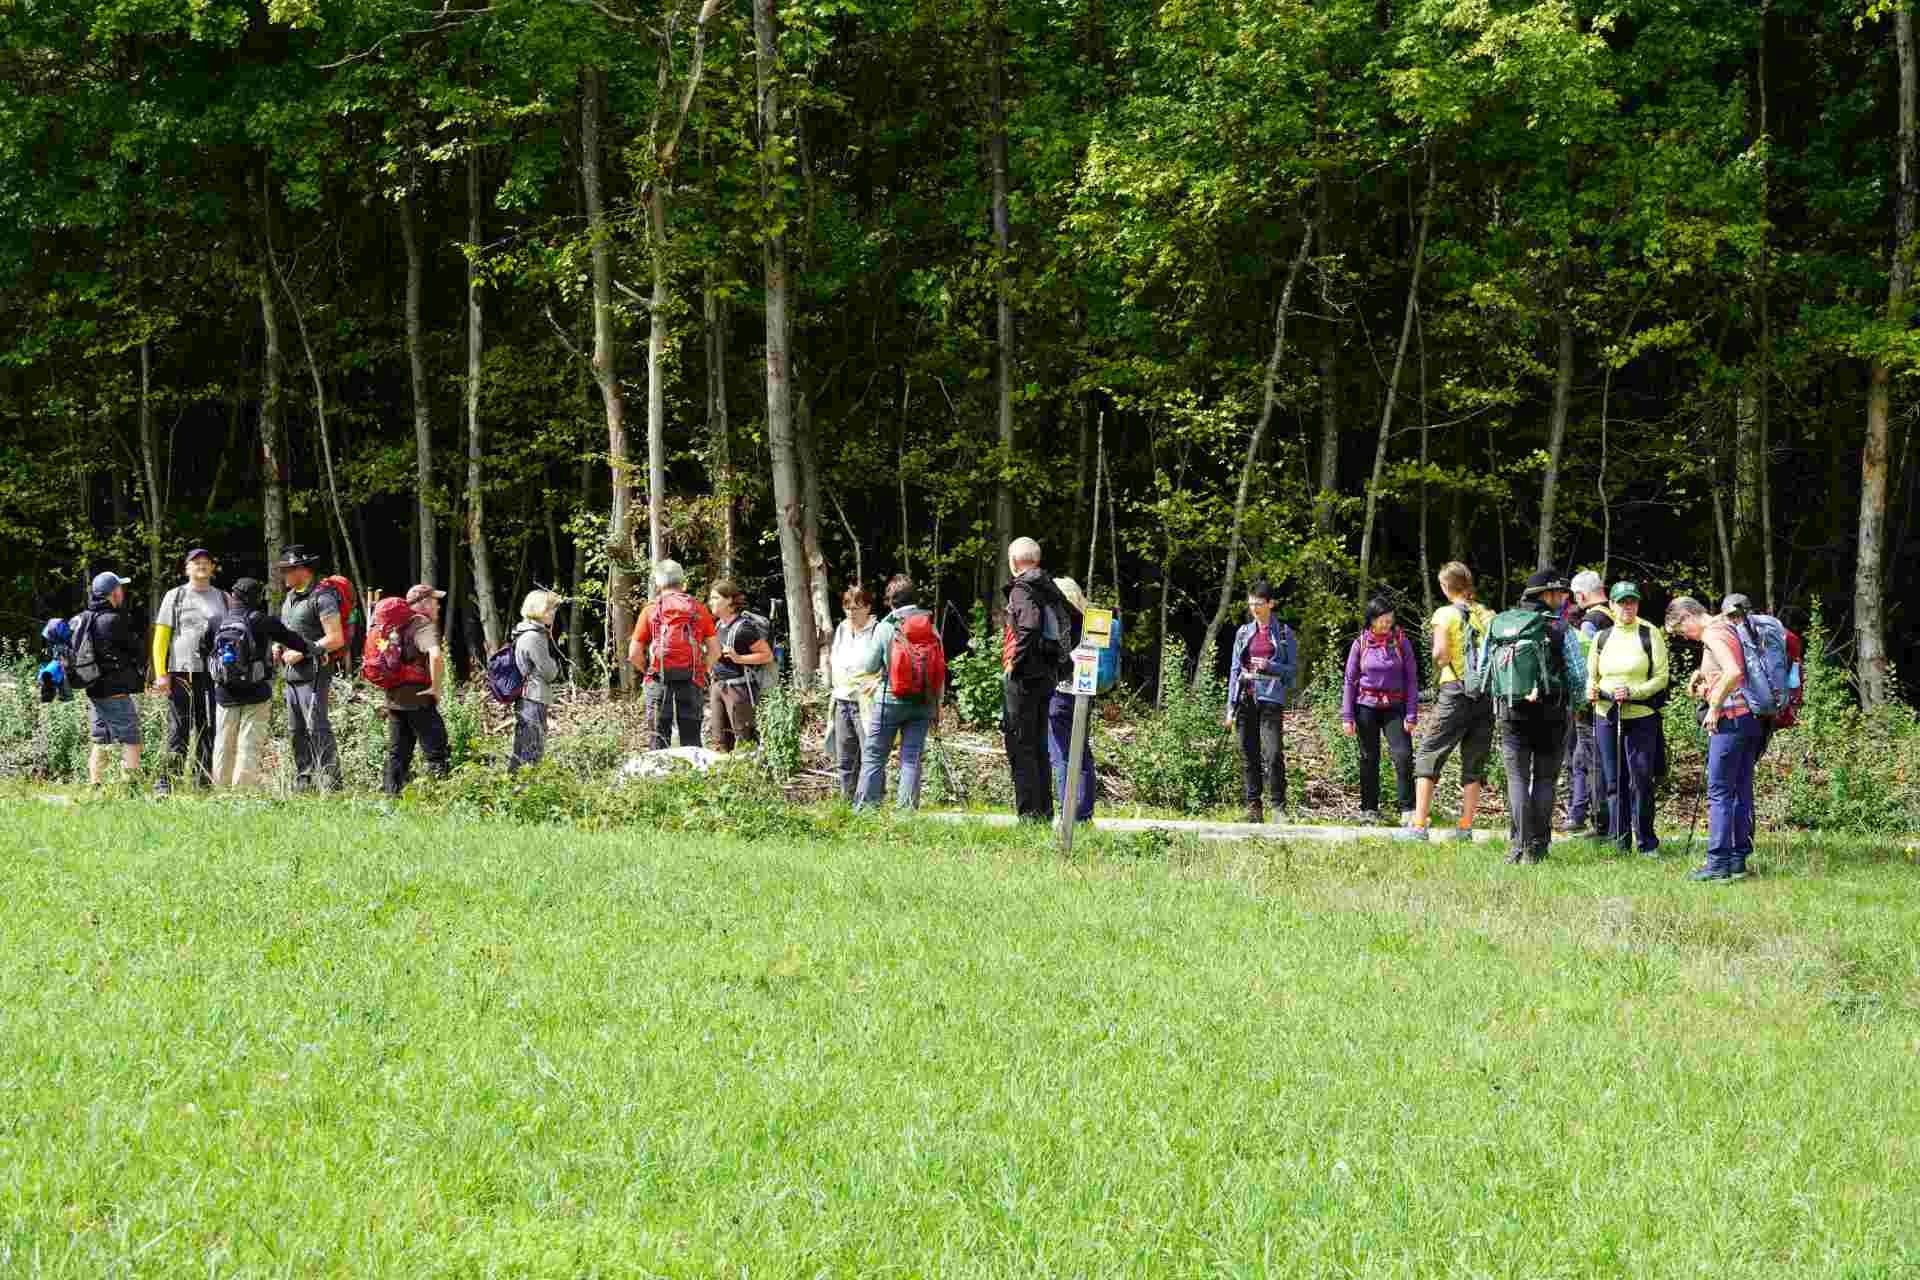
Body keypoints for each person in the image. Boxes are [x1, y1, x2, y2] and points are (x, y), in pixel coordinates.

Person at [1493, 568, 1587, 864]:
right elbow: (1578, 675)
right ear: (1545, 595)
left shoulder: (1502, 625)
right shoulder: (1561, 629)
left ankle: (1519, 846)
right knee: (1545, 780)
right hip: (1552, 714)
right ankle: (1538, 847)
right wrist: (1577, 703)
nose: (1562, 598)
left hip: (1511, 713)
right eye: (1558, 593)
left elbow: (1484, 669)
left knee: (1517, 780)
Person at [1667, 595, 1760, 881]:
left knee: (1720, 792)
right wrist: (1703, 679)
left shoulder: (1712, 633)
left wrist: (1715, 706)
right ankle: (1737, 859)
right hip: (1747, 719)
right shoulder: (1727, 626)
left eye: (1682, 631)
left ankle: (1717, 863)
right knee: (1740, 788)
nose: (1686, 636)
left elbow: (1733, 672)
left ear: (1688, 617)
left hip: (1729, 721)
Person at [1403, 561, 1495, 841]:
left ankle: (1419, 825)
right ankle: (1465, 827)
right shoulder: (1488, 614)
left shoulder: (1445, 614)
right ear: (1468, 585)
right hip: (1485, 693)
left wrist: (1442, 661)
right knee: (1474, 760)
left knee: (1429, 753)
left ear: (1445, 587)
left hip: (1455, 690)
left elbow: (1440, 653)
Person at [197, 577, 312, 789]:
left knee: (223, 743)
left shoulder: (215, 621)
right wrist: (316, 650)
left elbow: (203, 649)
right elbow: (294, 640)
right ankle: (242, 791)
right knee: (248, 745)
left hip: (224, 694)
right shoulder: (261, 620)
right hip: (256, 693)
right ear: (256, 598)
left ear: (234, 595)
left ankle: (221, 791)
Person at [1585, 581, 1668, 856]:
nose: (1627, 607)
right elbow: (1591, 676)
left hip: (1640, 714)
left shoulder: (1649, 633)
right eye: (1621, 602)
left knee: (1641, 780)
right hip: (1606, 714)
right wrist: (1592, 690)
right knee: (1613, 781)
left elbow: (1661, 678)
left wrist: (1634, 692)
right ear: (1612, 605)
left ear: (1637, 604)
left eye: (1631, 601)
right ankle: (1619, 842)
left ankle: (1646, 842)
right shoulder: (1602, 637)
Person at [856, 574, 945, 811]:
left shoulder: (886, 627)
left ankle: (866, 810)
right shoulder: (930, 624)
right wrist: (937, 705)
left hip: (890, 701)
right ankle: (906, 813)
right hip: (923, 702)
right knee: (911, 757)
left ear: (891, 601)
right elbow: (939, 668)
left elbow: (870, 666)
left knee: (875, 756)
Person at [1001, 537, 1072, 822]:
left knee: (1020, 745)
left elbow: (1028, 626)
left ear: (1014, 561)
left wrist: (1014, 665)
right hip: (1046, 677)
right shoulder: (1049, 589)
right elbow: (1074, 624)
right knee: (1039, 746)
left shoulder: (1022, 589)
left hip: (1024, 679)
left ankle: (1029, 816)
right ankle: (1043, 812)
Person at [148, 547, 230, 793]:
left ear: (212, 568)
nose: (201, 565)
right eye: (196, 562)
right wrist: (161, 673)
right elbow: (161, 638)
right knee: (179, 729)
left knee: (210, 728)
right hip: (182, 672)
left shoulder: (224, 598)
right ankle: (167, 785)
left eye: (206, 561)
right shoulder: (175, 596)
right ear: (187, 568)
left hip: (213, 674)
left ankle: (202, 783)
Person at [273, 545, 348, 791]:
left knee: (317, 726)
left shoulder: (322, 597)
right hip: (291, 676)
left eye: (287, 570)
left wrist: (303, 651)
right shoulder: (289, 598)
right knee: (296, 730)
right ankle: (303, 780)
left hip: (314, 673)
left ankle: (330, 781)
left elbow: (335, 638)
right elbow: (290, 632)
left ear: (302, 570)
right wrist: (278, 645)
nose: (283, 575)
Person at [1341, 595, 1419, 824]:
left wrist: (1412, 712)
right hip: (1366, 706)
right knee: (1368, 758)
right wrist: (1347, 715)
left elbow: (1412, 678)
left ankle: (1408, 809)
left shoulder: (1401, 641)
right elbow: (1349, 680)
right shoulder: (1360, 643)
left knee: (1403, 756)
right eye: (1382, 620)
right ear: (1371, 620)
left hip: (1395, 707)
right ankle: (1369, 809)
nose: (1386, 624)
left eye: (1389, 619)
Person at [628, 559, 719, 750]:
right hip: (692, 679)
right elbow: (715, 651)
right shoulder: (699, 609)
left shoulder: (651, 610)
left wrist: (648, 671)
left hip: (658, 680)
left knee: (658, 738)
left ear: (659, 583)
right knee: (692, 740)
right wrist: (702, 670)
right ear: (682, 581)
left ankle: (659, 779)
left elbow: (634, 653)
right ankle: (694, 777)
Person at [77, 571, 146, 787]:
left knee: (102, 739)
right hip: (115, 690)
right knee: (132, 739)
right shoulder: (114, 620)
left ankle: (96, 786)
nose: (122, 592)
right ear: (112, 593)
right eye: (120, 589)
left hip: (94, 689)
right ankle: (131, 787)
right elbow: (136, 650)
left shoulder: (85, 618)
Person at [382, 585, 451, 796]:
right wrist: (436, 688)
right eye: (435, 601)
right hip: (419, 699)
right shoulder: (422, 625)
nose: (438, 606)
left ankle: (391, 798)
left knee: (398, 753)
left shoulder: (395, 626)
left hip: (394, 699)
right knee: (436, 751)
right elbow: (436, 655)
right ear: (423, 603)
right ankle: (440, 798)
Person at [1561, 569, 1613, 837]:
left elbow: (1584, 666)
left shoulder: (1589, 623)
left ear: (1580, 595)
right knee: (1585, 759)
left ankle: (1600, 822)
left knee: (1591, 761)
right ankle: (1580, 812)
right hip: (1617, 698)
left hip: (1592, 702)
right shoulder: (1618, 613)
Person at [1047, 578, 1098, 824]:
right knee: (1082, 753)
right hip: (1085, 695)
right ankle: (1083, 813)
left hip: (1058, 694)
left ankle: (1067, 813)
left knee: (1062, 757)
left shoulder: (1056, 620)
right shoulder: (1093, 622)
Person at [707, 579, 774, 752]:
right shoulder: (718, 625)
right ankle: (724, 776)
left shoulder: (744, 628)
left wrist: (739, 658)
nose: (710, 602)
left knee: (745, 739)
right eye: (711, 598)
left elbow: (767, 655)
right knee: (719, 741)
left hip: (738, 689)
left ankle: (752, 775)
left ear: (729, 600)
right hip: (717, 687)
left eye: (715, 598)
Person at [827, 583, 880, 801]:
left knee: (870, 754)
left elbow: (890, 664)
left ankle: (871, 803)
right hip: (841, 699)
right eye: (848, 608)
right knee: (845, 756)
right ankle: (847, 802)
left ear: (867, 607)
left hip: (865, 702)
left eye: (857, 608)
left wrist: (879, 680)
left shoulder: (878, 630)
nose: (852, 613)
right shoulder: (842, 628)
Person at [510, 590, 564, 772]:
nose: (552, 613)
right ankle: (526, 791)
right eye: (548, 609)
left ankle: (514, 789)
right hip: (533, 698)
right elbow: (549, 672)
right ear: (537, 610)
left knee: (523, 747)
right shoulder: (533, 637)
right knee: (532, 749)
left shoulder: (526, 632)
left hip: (528, 697)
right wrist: (555, 664)